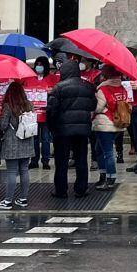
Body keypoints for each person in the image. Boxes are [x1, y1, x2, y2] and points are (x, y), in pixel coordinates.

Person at [46, 61, 97, 198]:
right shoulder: (88, 87)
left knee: (61, 161)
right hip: (82, 130)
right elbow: (93, 105)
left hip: (62, 131)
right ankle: (81, 188)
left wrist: (51, 127)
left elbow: (51, 110)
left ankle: (61, 190)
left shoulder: (58, 88)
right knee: (81, 159)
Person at [0, 82, 35, 210]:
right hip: (27, 142)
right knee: (24, 170)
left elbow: (3, 126)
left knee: (11, 172)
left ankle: (8, 201)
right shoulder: (29, 105)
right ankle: (23, 199)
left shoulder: (8, 106)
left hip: (12, 142)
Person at [94, 65, 129, 190]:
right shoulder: (123, 88)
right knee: (99, 149)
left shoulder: (103, 89)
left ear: (105, 75)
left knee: (107, 152)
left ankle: (110, 178)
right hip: (118, 123)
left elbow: (97, 108)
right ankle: (104, 175)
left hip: (105, 124)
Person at [24, 57, 57, 170]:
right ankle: (34, 160)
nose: (39, 66)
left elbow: (57, 90)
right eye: (37, 64)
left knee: (45, 138)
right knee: (34, 138)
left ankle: (45, 160)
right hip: (33, 114)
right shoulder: (30, 78)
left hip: (46, 112)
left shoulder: (52, 78)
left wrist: (51, 91)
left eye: (41, 64)